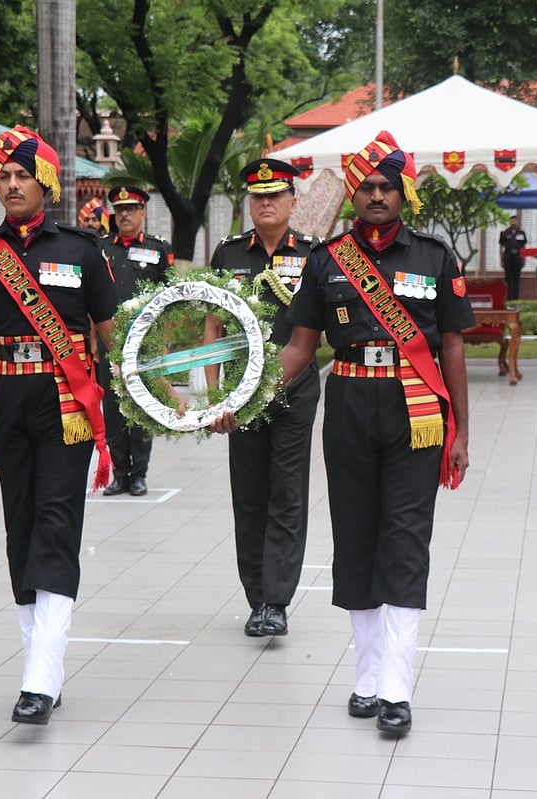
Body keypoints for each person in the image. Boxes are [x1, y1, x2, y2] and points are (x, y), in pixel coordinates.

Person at [214, 131, 472, 737]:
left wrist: (461, 428)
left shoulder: (435, 258)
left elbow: (454, 347)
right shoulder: (326, 261)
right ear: (353, 194)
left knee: (406, 539)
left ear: (403, 192)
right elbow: (300, 349)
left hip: (418, 408)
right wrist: (243, 397)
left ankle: (398, 689)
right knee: (355, 537)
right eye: (365, 187)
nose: (375, 196)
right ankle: (367, 674)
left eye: (386, 186)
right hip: (352, 403)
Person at [0, 124, 117, 726]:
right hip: (8, 400)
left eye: (24, 175)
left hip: (65, 405)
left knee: (57, 524)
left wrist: (147, 394)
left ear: (45, 183)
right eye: (5, 175)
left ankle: (38, 678)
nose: (13, 184)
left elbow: (111, 336)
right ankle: (42, 669)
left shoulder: (81, 251)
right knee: (20, 530)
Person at [206, 158, 320, 638]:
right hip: (239, 394)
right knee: (249, 494)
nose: (266, 203)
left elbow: (314, 332)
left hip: (294, 391)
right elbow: (212, 322)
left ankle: (277, 600)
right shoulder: (229, 254)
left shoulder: (314, 255)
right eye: (258, 197)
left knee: (287, 493)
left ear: (294, 202)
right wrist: (214, 396)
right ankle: (257, 597)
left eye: (275, 195)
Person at [98, 185, 174, 497]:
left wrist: (164, 342)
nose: (125, 214)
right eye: (119, 210)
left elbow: (170, 299)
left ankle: (139, 474)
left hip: (146, 344)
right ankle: (120, 474)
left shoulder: (157, 250)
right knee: (114, 409)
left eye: (131, 209)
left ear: (143, 212)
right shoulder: (101, 249)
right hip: (109, 343)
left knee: (141, 408)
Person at [499, 215, 527, 301]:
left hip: (518, 257)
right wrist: (501, 259)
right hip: (508, 256)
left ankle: (516, 298)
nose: (514, 223)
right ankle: (508, 298)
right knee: (508, 278)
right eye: (512, 221)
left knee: (516, 279)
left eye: (515, 221)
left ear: (517, 222)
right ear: (510, 222)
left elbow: (523, 247)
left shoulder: (521, 233)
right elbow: (501, 247)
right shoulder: (505, 232)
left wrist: (524, 259)